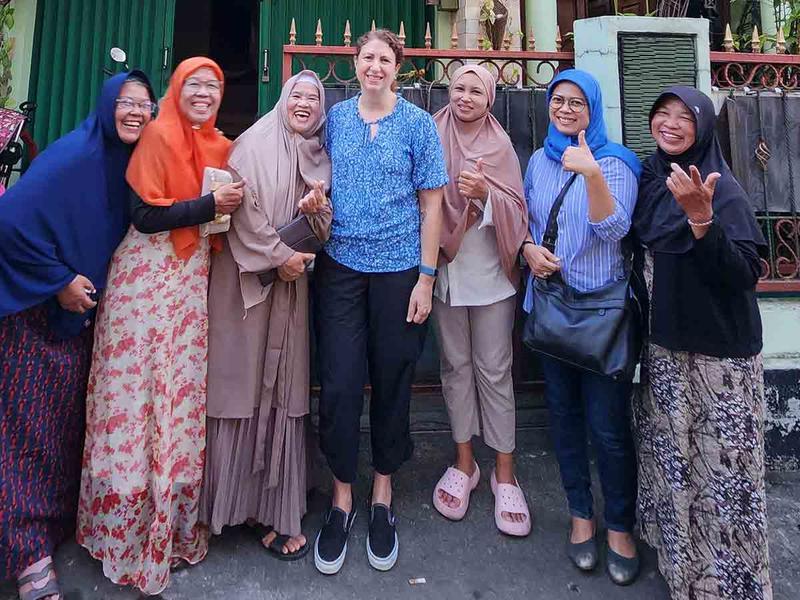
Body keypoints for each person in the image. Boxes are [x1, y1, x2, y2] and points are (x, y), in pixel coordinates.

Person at [76, 57, 243, 596]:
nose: (202, 94)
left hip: (190, 286)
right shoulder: (156, 135)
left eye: (212, 87)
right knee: (134, 403)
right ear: (175, 89)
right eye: (193, 84)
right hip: (143, 286)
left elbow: (216, 217)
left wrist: (222, 209)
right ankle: (123, 535)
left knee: (176, 402)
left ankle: (169, 530)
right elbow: (144, 215)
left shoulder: (222, 147)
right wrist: (207, 205)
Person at [0, 70, 155, 600]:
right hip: (36, 315)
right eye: (126, 103)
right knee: (28, 430)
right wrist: (61, 280)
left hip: (77, 317)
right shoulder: (75, 157)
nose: (136, 112)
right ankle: (26, 555)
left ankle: (49, 524)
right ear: (107, 104)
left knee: (65, 426)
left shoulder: (126, 164)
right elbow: (9, 222)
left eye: (145, 104)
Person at [312, 29, 447, 575]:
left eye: (384, 59)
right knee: (341, 383)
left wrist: (426, 278)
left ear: (399, 67)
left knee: (393, 377)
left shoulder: (416, 123)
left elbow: (433, 205)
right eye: (367, 57)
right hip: (341, 268)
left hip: (399, 273)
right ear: (354, 62)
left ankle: (383, 493)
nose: (374, 66)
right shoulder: (336, 120)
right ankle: (342, 495)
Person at [631, 86, 772, 600]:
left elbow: (745, 272)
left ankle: (728, 585)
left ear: (703, 127)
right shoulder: (651, 180)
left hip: (717, 360)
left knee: (720, 475)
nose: (669, 124)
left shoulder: (721, 189)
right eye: (660, 114)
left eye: (682, 117)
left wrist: (701, 220)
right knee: (677, 466)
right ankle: (682, 572)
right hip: (667, 351)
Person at [200, 70, 331, 560]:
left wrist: (315, 213)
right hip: (246, 287)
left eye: (312, 98)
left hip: (291, 288)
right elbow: (242, 215)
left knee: (282, 389)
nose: (303, 104)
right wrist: (280, 255)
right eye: (296, 95)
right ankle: (228, 504)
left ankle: (273, 507)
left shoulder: (319, 153)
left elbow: (323, 223)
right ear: (282, 98)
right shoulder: (252, 143)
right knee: (243, 386)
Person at [520, 69, 641, 585]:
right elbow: (524, 217)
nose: (566, 109)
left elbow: (613, 228)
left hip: (600, 315)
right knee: (563, 419)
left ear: (594, 109)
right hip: (550, 308)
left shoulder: (615, 163)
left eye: (577, 103)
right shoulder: (537, 160)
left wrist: (590, 172)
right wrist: (527, 249)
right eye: (559, 100)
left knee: (609, 429)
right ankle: (579, 516)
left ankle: (618, 526)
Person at [430, 65, 531, 536]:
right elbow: (418, 192)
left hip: (491, 275)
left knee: (494, 368)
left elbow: (517, 208)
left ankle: (504, 471)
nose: (465, 97)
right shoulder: (432, 130)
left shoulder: (501, 145)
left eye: (475, 90)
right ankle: (465, 461)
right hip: (446, 272)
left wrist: (486, 193)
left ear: (490, 99)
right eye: (458, 88)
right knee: (455, 366)